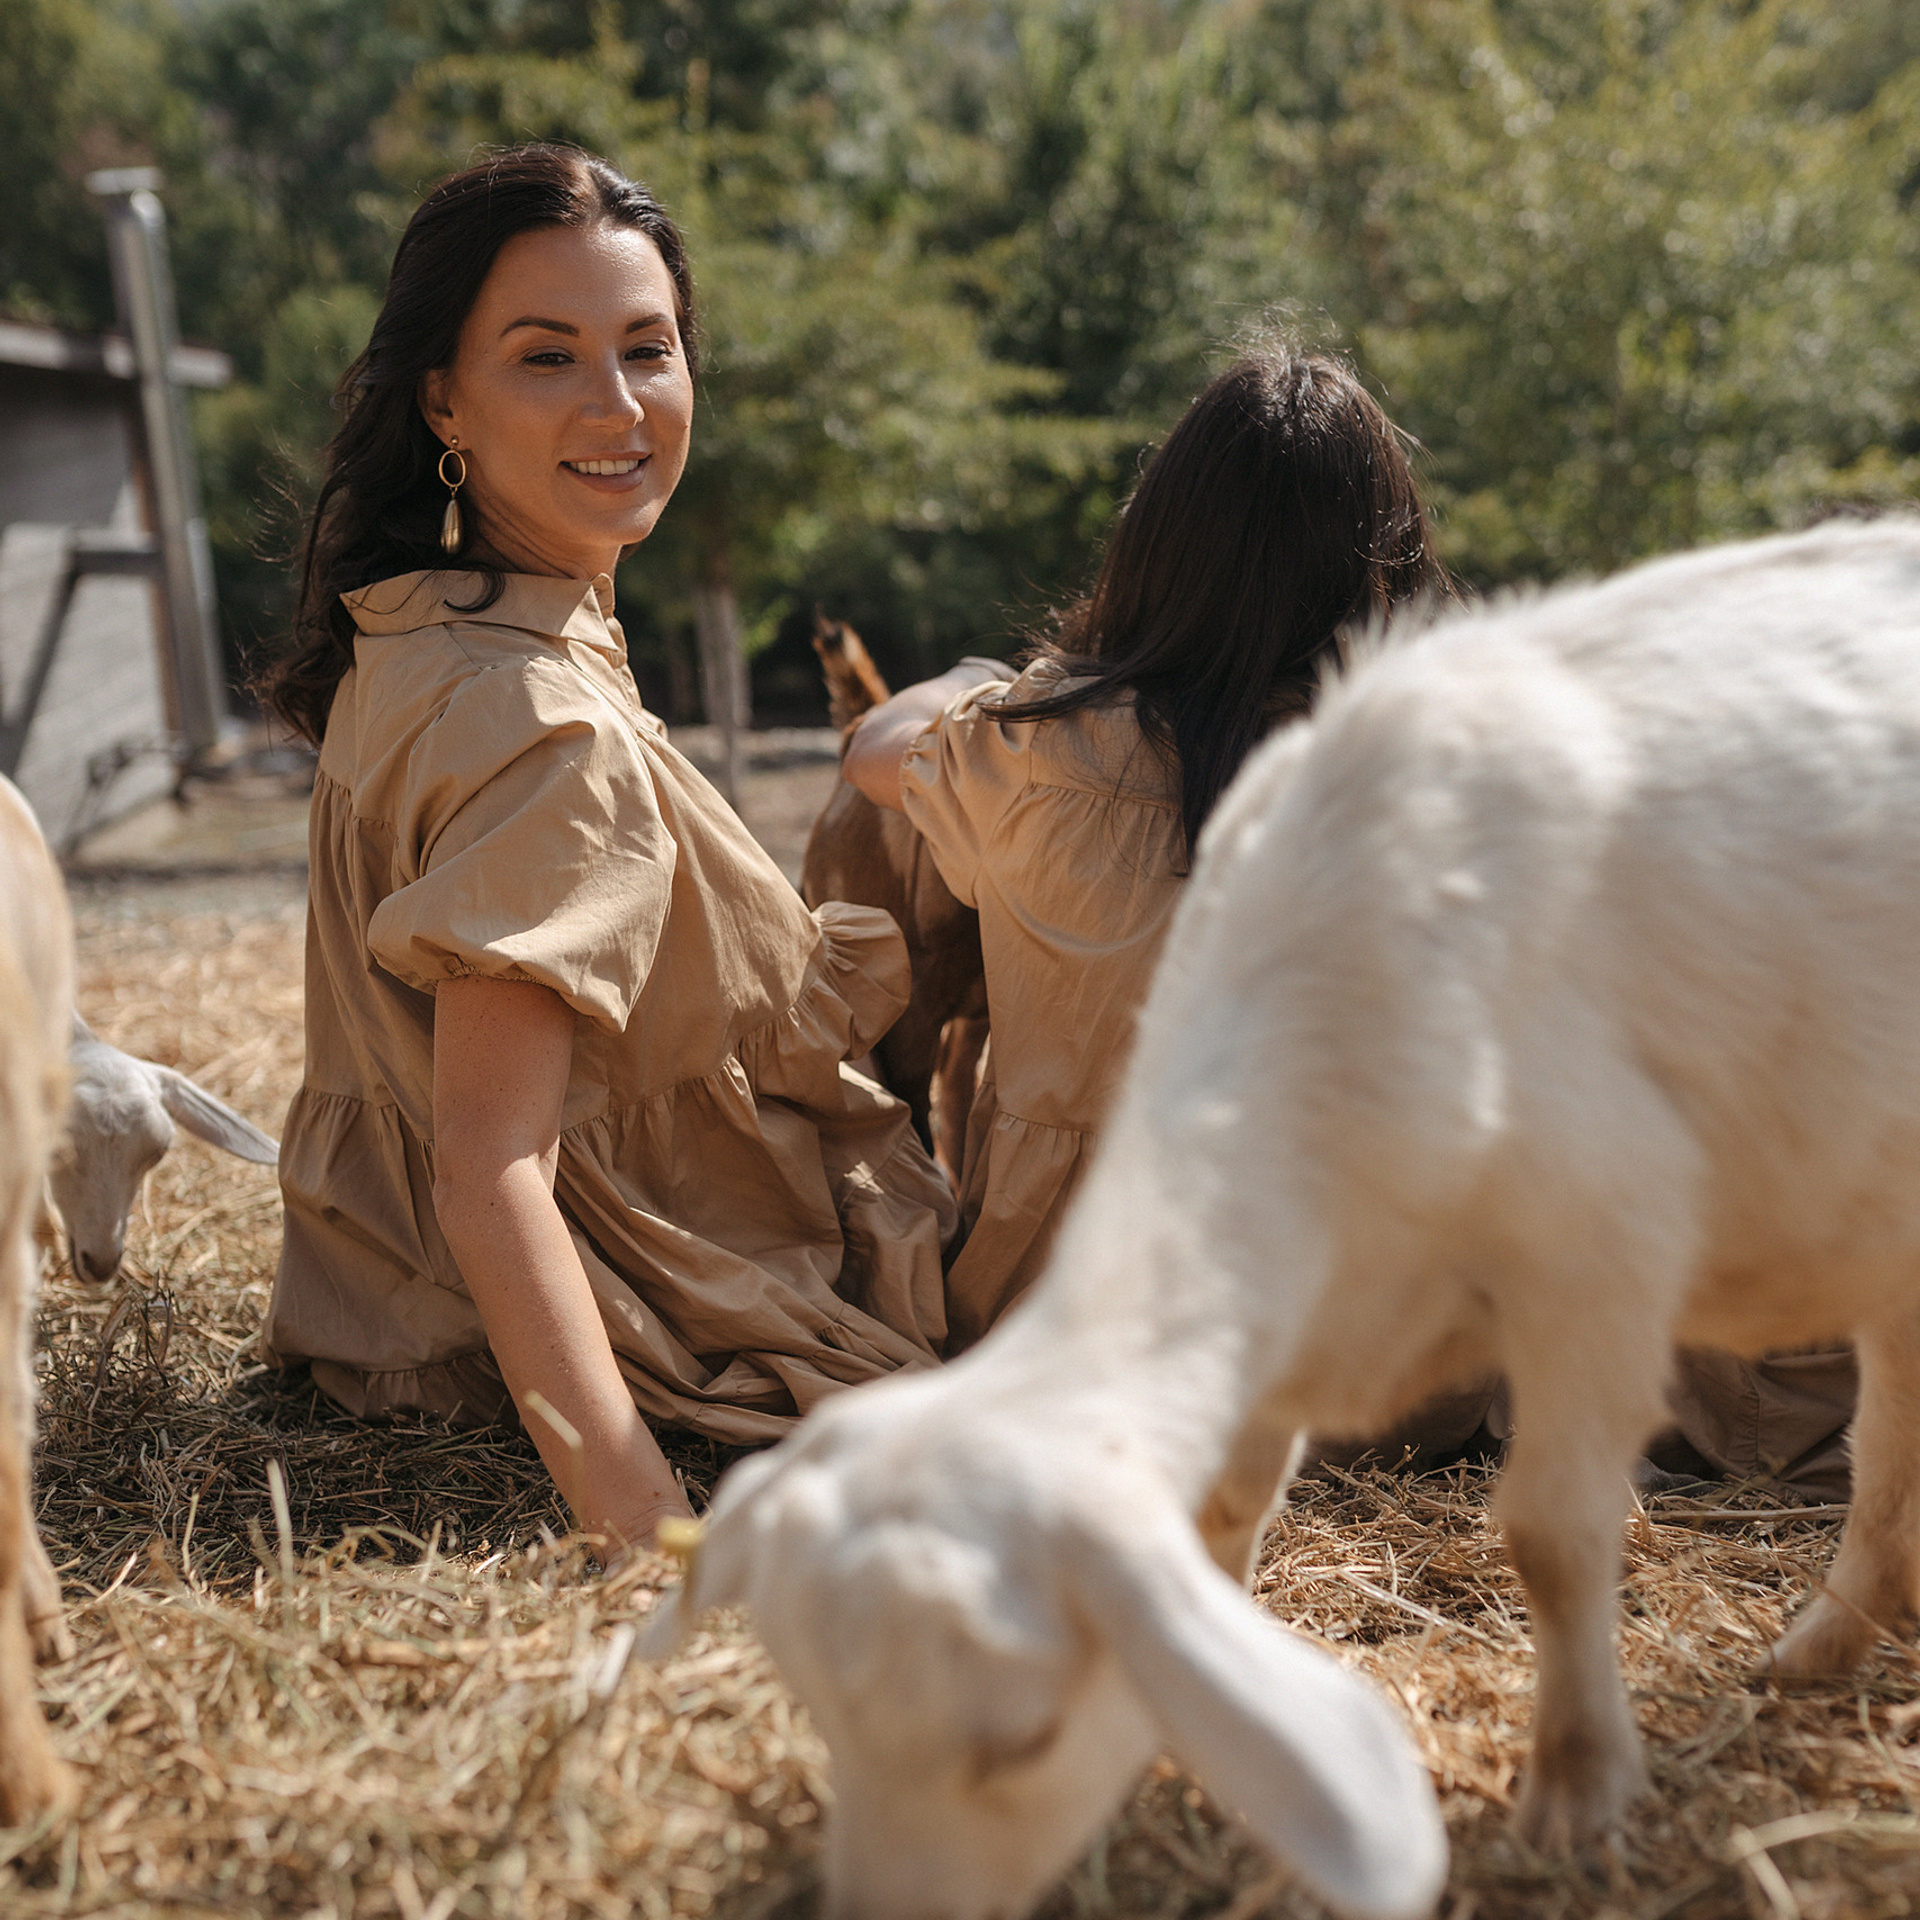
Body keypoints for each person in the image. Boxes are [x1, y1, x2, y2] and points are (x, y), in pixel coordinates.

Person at [257, 145, 955, 1557]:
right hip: (671, 1301)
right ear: (442, 398)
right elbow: (487, 1163)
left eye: (649, 349)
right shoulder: (541, 730)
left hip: (384, 1307)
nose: (617, 405)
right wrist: (640, 1527)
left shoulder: (433, 621)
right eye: (546, 357)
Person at [843, 350, 1450, 1349]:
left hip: (1075, 1316)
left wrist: (970, 676)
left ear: (1159, 540)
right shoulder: (1433, 768)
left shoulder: (1040, 740)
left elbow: (872, 749)